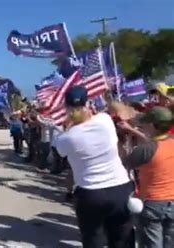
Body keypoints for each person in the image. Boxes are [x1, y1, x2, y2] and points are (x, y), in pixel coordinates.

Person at [54, 86, 134, 248]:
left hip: (90, 192)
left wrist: (69, 125)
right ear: (87, 104)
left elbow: (60, 152)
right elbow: (122, 112)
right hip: (119, 188)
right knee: (122, 237)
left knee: (93, 239)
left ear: (67, 108)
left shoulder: (67, 137)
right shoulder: (104, 121)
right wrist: (109, 100)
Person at [118, 107, 174, 248]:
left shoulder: (146, 149)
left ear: (152, 126)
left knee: (152, 243)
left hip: (152, 202)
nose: (143, 126)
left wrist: (124, 144)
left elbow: (125, 164)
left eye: (146, 123)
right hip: (172, 200)